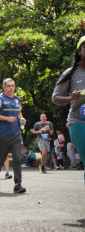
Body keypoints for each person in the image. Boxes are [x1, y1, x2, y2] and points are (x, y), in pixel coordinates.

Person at [52, 35, 85, 182]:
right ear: (79, 51)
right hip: (79, 123)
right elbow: (56, 98)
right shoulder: (70, 73)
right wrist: (71, 98)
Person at [0, 78, 26, 193]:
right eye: (9, 86)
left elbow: (19, 111)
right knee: (1, 158)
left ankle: (17, 185)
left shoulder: (17, 99)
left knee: (17, 158)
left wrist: (21, 118)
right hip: (2, 135)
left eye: (13, 86)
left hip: (16, 133)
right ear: (4, 88)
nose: (11, 88)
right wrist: (7, 119)